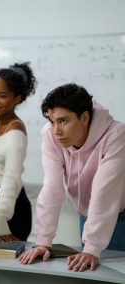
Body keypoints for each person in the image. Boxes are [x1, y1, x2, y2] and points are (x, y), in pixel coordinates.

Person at [19, 83, 125, 272]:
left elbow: (104, 192)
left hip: (119, 215)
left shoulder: (117, 135)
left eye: (63, 121)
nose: (56, 130)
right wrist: (43, 241)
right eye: (52, 121)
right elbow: (52, 186)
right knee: (88, 270)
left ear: (84, 118)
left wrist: (92, 246)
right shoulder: (51, 135)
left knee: (113, 275)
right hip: (86, 213)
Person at [0, 62, 37, 241]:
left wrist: (0, 218)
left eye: (2, 96)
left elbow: (11, 178)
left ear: (17, 99)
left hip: (8, 208)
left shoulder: (15, 133)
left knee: (3, 267)